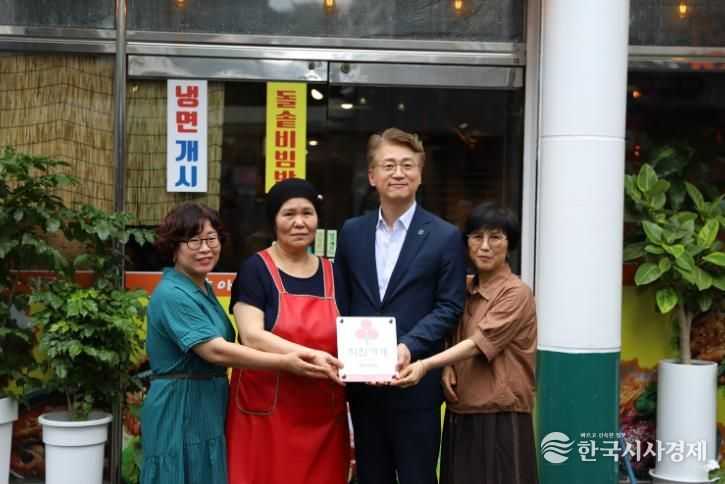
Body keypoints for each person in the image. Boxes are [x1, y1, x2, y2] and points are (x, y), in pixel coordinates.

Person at [140, 203, 325, 484]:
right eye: (194, 241)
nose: (205, 249)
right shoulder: (172, 293)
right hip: (179, 404)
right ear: (174, 247)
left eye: (211, 239)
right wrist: (285, 363)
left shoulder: (202, 287)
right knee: (178, 472)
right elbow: (213, 349)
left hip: (208, 403)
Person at [334, 128, 467, 484]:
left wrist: (408, 345)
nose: (398, 173)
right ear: (372, 176)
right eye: (389, 165)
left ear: (420, 175)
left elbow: (449, 305)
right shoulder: (352, 232)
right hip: (363, 385)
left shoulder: (445, 236)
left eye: (408, 165)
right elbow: (341, 300)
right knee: (370, 476)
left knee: (417, 477)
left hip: (415, 383)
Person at [394, 202, 538, 484]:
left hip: (501, 415)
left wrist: (426, 365)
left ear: (510, 244)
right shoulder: (463, 288)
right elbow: (450, 331)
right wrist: (447, 367)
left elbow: (476, 343)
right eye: (476, 237)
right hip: (460, 412)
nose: (484, 246)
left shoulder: (517, 293)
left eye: (495, 237)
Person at [226, 178, 350, 484]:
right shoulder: (255, 269)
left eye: (307, 213)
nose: (299, 222)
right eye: (289, 214)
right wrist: (310, 355)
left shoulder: (335, 273)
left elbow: (352, 332)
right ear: (273, 220)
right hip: (266, 411)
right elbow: (252, 336)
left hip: (322, 413)